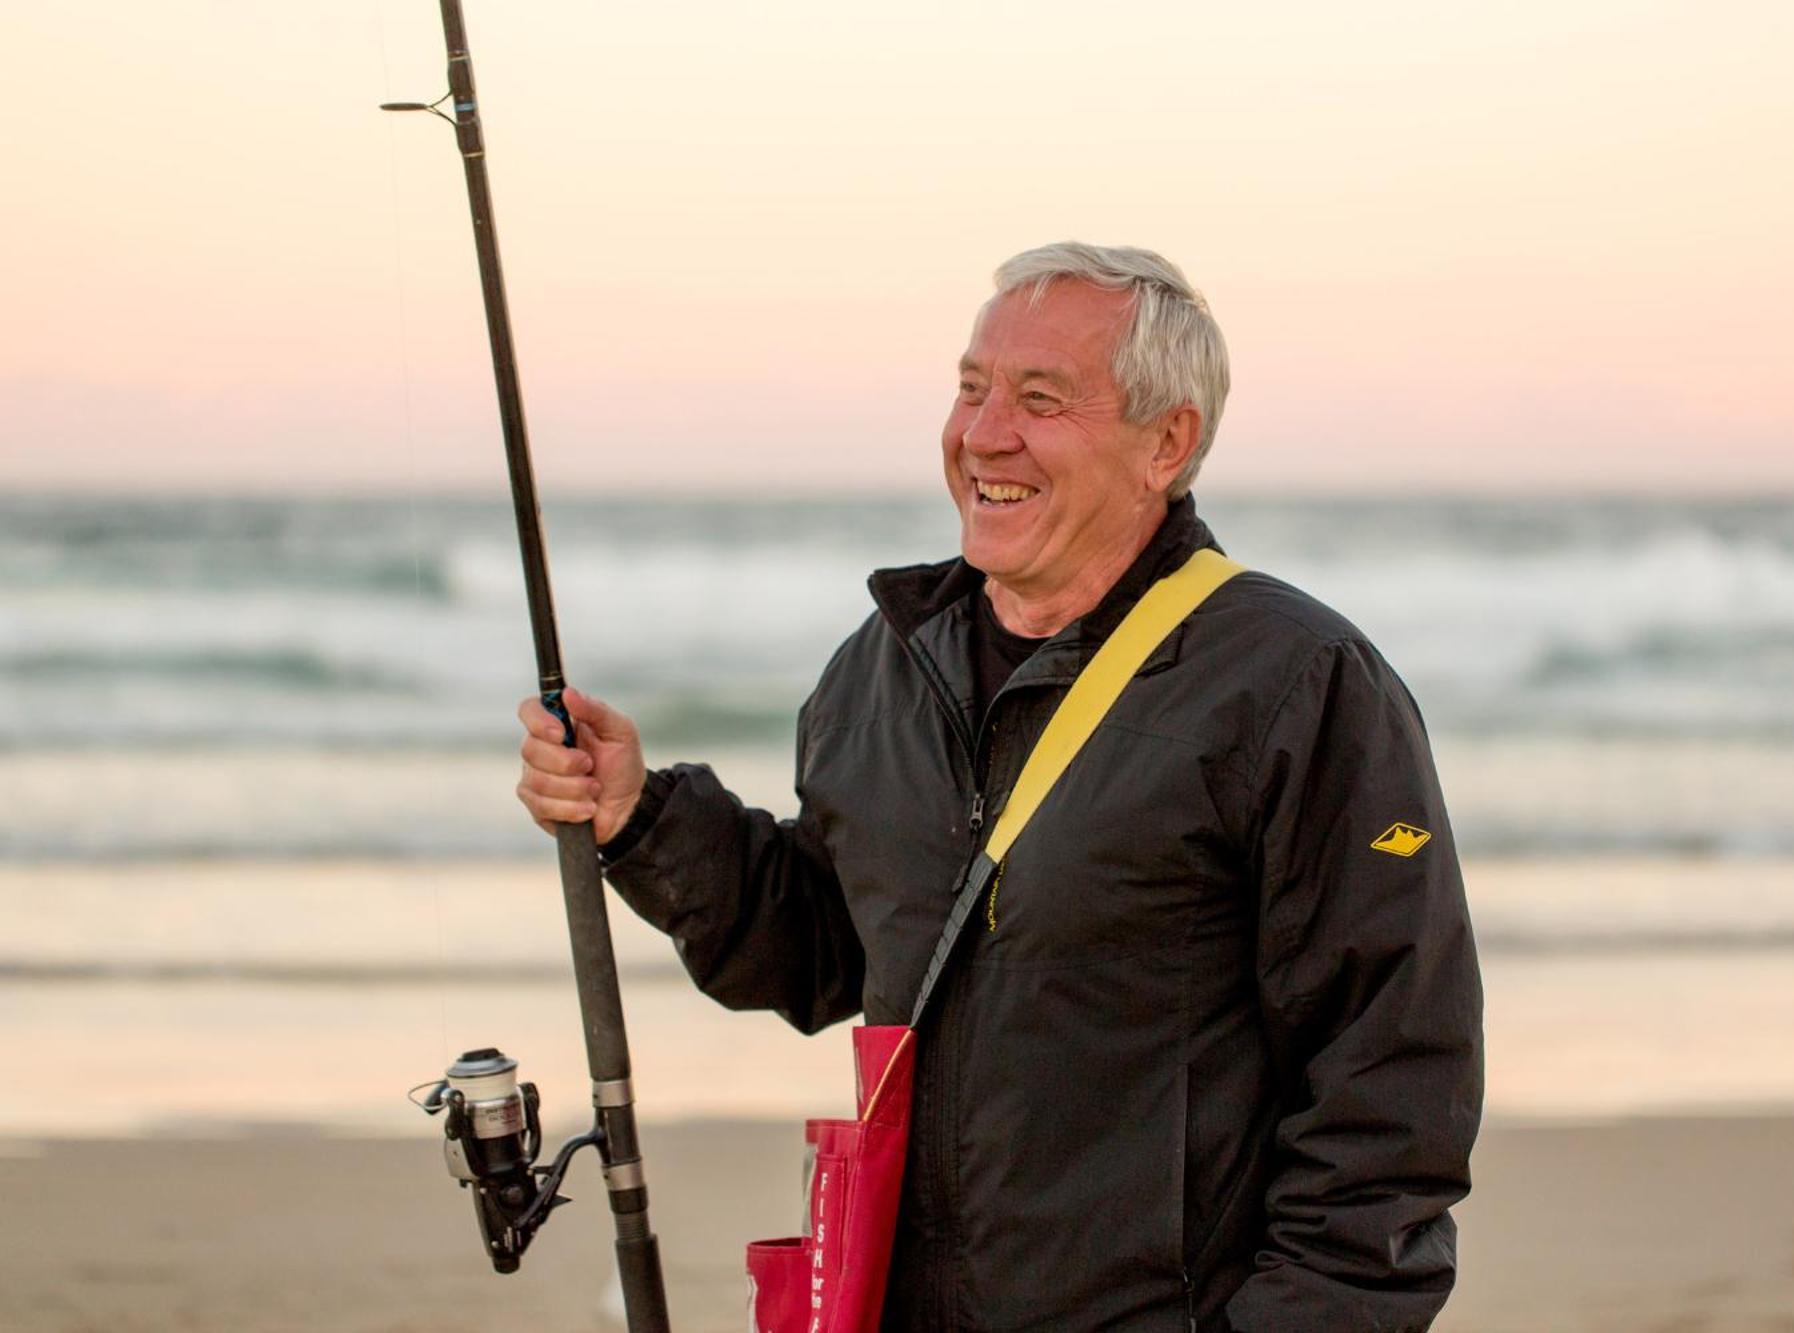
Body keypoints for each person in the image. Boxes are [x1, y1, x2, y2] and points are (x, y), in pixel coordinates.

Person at [515, 243, 1484, 1331]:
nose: (982, 434)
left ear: (1167, 442)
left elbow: (1389, 1087)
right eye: (970, 389)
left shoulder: (1292, 684)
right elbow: (831, 949)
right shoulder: (881, 669)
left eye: (1039, 399)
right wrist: (641, 817)